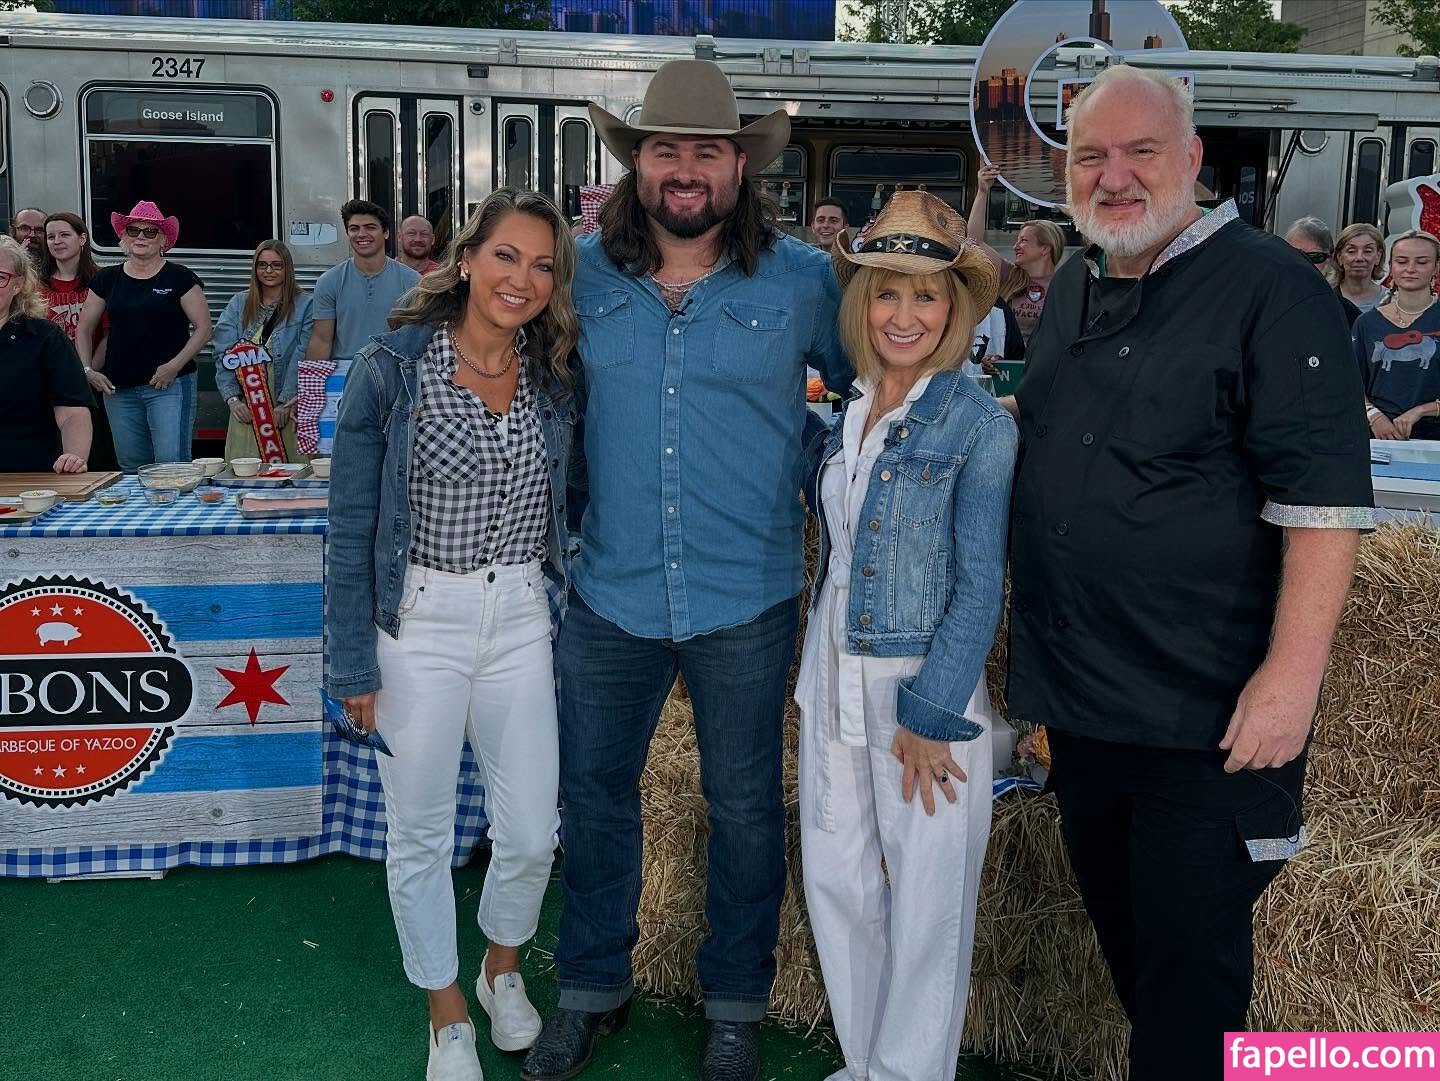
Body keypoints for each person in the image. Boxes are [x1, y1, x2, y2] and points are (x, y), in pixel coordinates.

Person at [1006, 66, 1372, 1081]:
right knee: (1137, 954)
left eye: (1141, 151)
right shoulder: (1075, 284)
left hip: (1206, 717)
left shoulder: (1274, 289)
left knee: (1189, 979)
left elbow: (1324, 504)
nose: (1114, 175)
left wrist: (1291, 681)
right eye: (1091, 156)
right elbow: (1051, 430)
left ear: (1195, 158)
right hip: (1085, 706)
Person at [522, 59, 850, 1081]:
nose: (686, 169)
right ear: (638, 163)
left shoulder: (803, 280)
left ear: (741, 166)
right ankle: (591, 988)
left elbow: (879, 389)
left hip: (745, 593)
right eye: (666, 149)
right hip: (609, 591)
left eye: (708, 151)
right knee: (596, 793)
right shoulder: (579, 274)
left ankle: (737, 1004)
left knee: (745, 806)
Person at [326, 188, 580, 1081]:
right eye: (506, 255)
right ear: (466, 259)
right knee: (422, 831)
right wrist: (350, 660)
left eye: (542, 264)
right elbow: (349, 526)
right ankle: (446, 1014)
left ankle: (500, 967)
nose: (522, 278)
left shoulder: (555, 376)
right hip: (418, 623)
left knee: (533, 831)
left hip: (520, 617)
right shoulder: (392, 369)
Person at [796, 190, 1016, 1081]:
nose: (904, 314)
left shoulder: (979, 423)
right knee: (838, 879)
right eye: (886, 291)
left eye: (926, 295)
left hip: (923, 684)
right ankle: (866, 1063)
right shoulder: (847, 410)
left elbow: (981, 579)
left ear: (955, 308)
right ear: (861, 302)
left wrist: (931, 710)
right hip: (831, 674)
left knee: (928, 902)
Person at [75, 200, 211, 470]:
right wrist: (87, 370)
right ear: (124, 237)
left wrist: (173, 366)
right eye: (133, 230)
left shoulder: (180, 278)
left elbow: (204, 329)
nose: (141, 236)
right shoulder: (107, 278)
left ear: (163, 240)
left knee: (171, 465)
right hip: (118, 389)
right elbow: (84, 328)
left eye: (150, 231)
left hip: (168, 386)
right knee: (131, 466)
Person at [213, 240, 315, 461]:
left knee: (291, 470)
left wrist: (286, 402)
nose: (269, 271)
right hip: (247, 408)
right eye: (262, 265)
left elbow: (304, 354)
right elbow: (223, 353)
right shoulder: (238, 304)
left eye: (277, 265)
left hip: (287, 408)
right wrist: (233, 400)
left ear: (287, 268)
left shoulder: (306, 305)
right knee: (245, 471)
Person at [0, 236, 92, 473]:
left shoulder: (46, 338)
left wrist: (73, 458)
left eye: (0, 278)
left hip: (29, 476)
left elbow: (72, 412)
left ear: (18, 285)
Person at [38, 211, 116, 472]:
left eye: (64, 235)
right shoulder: (36, 285)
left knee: (98, 453)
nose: (57, 241)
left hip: (94, 380)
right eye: (51, 236)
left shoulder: (100, 279)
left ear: (82, 239)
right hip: (50, 382)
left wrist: (87, 371)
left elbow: (109, 333)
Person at [305, 199, 420, 368]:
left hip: (394, 372)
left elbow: (417, 339)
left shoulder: (412, 281)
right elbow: (321, 341)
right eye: (354, 228)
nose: (361, 234)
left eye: (370, 227)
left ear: (386, 233)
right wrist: (312, 384)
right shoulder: (329, 281)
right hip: (345, 374)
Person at [1355, 229, 1440, 441]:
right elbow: (1348, 380)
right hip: (1377, 440)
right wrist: (1374, 416)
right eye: (1401, 261)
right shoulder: (1366, 323)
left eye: (1422, 262)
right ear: (1391, 266)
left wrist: (1422, 410)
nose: (1410, 269)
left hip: (1434, 442)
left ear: (1436, 268)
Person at [967, 165, 1064, 346]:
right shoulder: (1010, 275)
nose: (1015, 246)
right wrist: (982, 191)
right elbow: (974, 243)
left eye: (1024, 241)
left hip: (1046, 361)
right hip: (1006, 360)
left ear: (1045, 248)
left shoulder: (1065, 283)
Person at [1285, 217, 1360, 327]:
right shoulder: (1265, 300)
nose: (1304, 263)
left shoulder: (1346, 312)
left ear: (1328, 259)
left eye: (1314, 257)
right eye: (1295, 255)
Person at [1334, 222, 1387, 313]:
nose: (1359, 258)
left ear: (1378, 257)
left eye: (1367, 251)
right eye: (1351, 251)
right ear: (1339, 257)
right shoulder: (1326, 298)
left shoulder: (1392, 301)